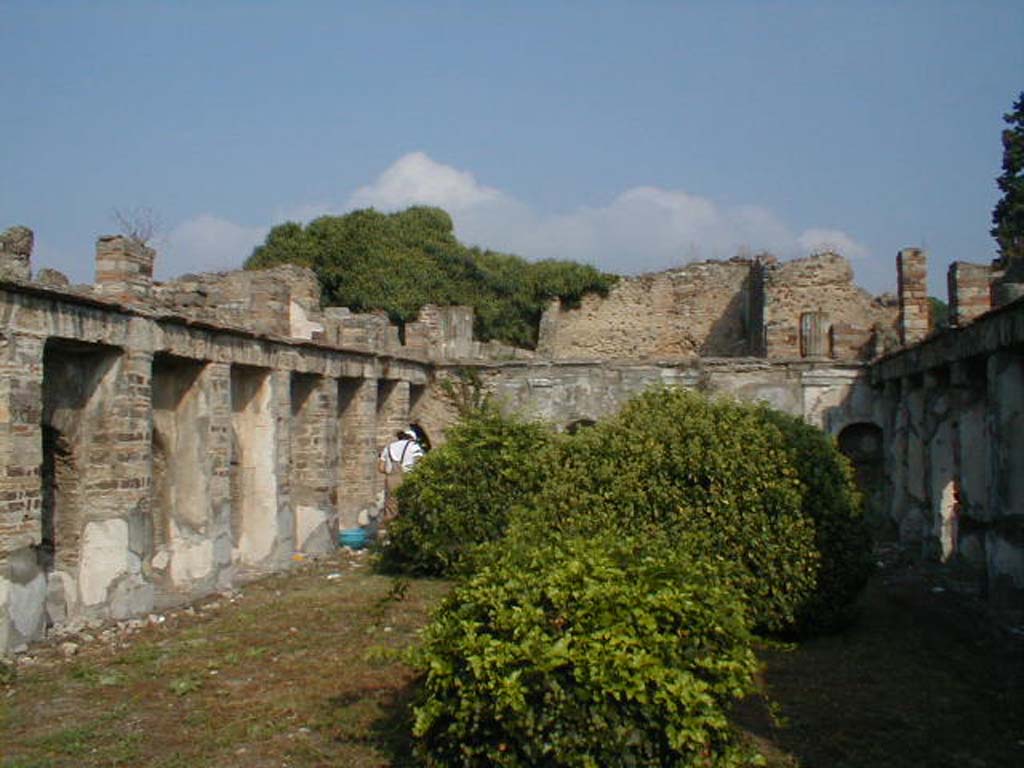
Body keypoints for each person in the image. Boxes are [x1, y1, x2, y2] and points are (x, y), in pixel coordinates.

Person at [378, 427, 424, 520]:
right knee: (409, 506)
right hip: (408, 478)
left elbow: (381, 468)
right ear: (412, 438)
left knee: (391, 507)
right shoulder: (414, 446)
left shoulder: (388, 447)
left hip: (391, 480)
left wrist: (390, 473)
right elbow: (421, 463)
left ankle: (391, 530)